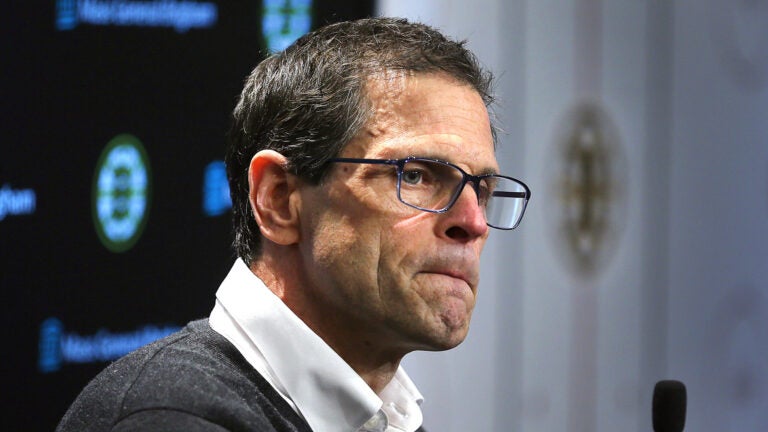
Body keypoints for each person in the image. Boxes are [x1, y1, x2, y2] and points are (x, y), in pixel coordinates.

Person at [56, 17, 530, 432]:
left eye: (481, 190)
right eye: (416, 175)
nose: (472, 223)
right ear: (278, 199)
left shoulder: (389, 418)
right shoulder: (165, 417)